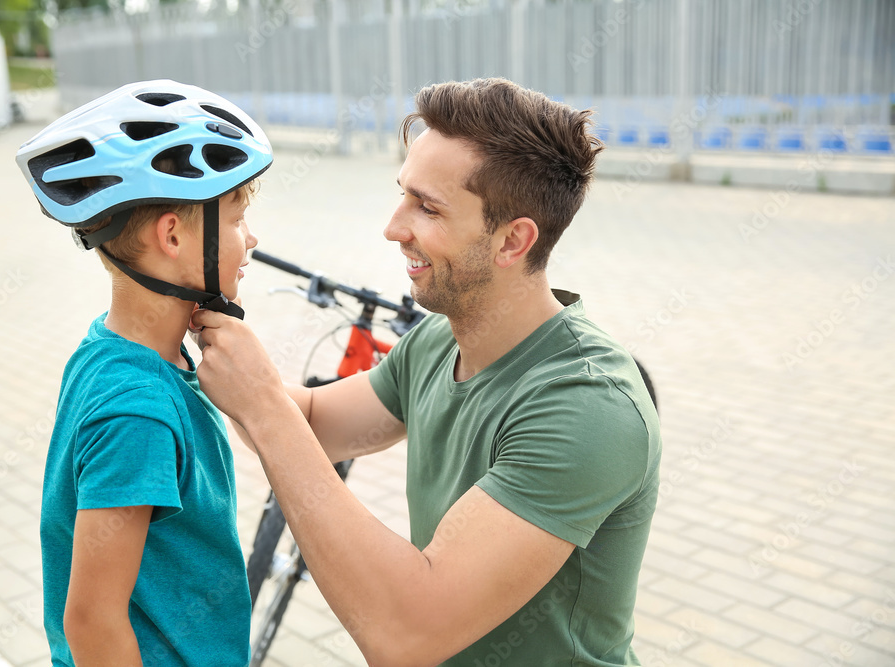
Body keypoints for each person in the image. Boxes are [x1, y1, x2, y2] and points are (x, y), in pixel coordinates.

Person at [193, 77, 661, 666]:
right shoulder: (440, 340)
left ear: (513, 240)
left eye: (428, 207)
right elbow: (311, 424)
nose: (394, 227)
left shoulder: (589, 405)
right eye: (403, 194)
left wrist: (259, 403)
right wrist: (203, 354)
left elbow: (405, 634)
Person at [15, 80, 272, 666]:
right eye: (238, 216)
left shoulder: (119, 349)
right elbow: (92, 623)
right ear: (174, 235)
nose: (252, 238)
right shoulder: (138, 410)